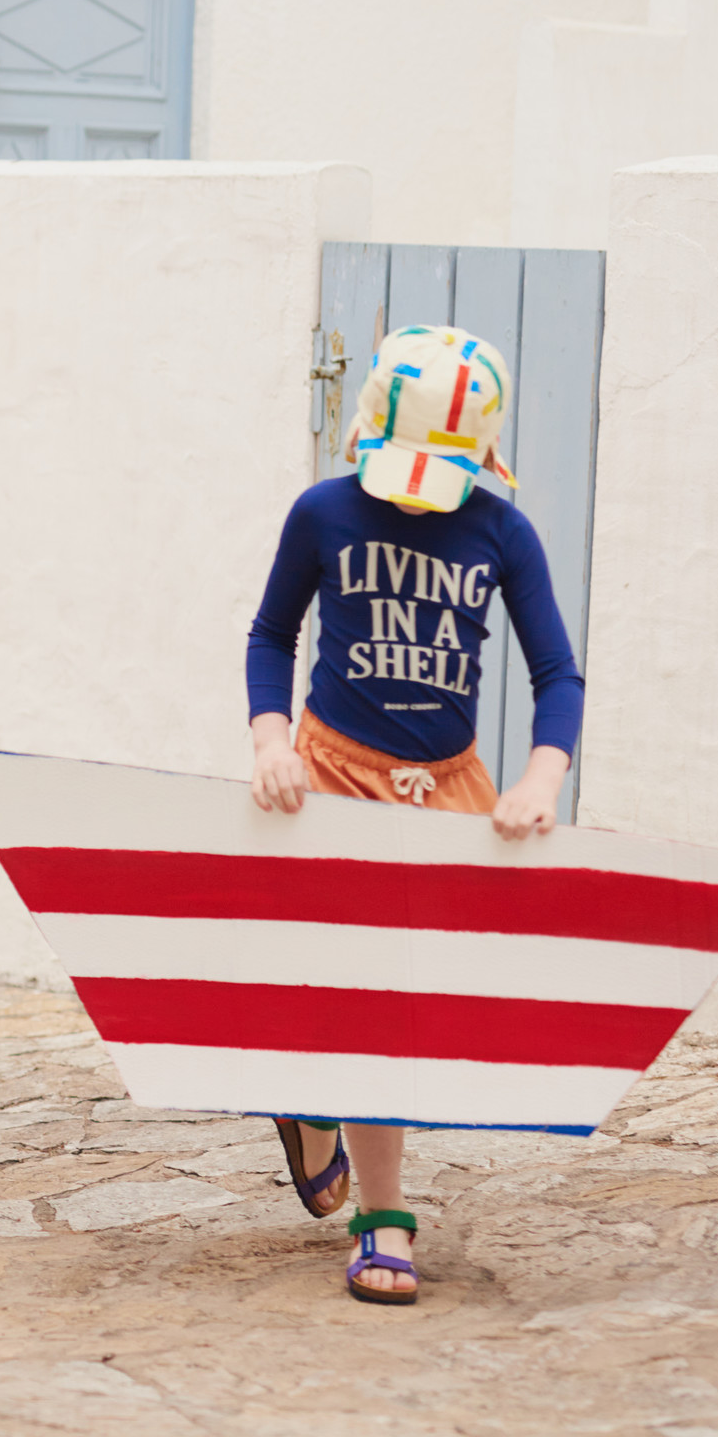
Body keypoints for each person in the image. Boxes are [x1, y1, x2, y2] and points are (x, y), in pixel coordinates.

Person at [246, 323, 584, 1306]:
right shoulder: (322, 513)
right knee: (369, 1000)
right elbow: (273, 635)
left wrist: (541, 779)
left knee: (437, 999)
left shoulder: (500, 531)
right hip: (334, 771)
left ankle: (311, 1104)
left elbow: (555, 670)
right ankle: (383, 1216)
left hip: (450, 783)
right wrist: (272, 743)